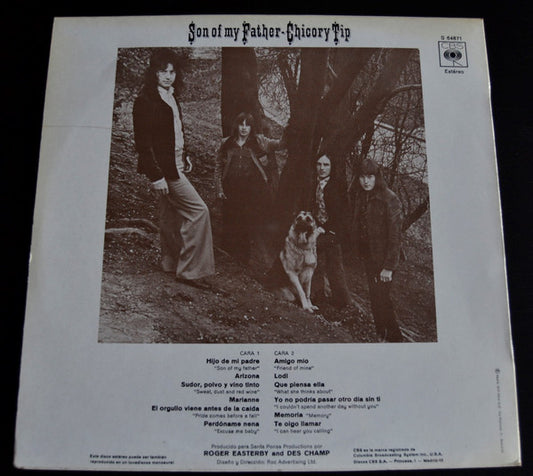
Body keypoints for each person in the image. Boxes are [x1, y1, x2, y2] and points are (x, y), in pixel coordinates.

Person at [132, 48, 215, 286]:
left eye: (172, 71)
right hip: (165, 169)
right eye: (163, 71)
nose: (168, 76)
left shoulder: (172, 97)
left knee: (169, 215)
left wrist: (184, 154)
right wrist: (156, 176)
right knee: (199, 212)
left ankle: (170, 262)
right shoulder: (145, 101)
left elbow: (175, 132)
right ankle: (190, 271)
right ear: (153, 73)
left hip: (176, 162)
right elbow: (143, 144)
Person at [215, 112, 284, 264]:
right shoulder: (227, 143)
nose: (244, 128)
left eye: (248, 125)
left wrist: (289, 129)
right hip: (231, 188)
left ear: (252, 127)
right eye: (241, 124)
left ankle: (243, 257)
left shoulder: (259, 141)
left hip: (250, 190)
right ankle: (228, 254)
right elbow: (218, 166)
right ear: (237, 125)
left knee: (246, 221)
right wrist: (219, 189)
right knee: (230, 219)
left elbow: (279, 144)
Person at [351, 158, 403, 342]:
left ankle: (395, 338)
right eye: (362, 177)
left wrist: (388, 267)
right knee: (375, 298)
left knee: (383, 299)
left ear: (377, 177)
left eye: (370, 177)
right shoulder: (361, 195)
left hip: (385, 260)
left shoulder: (390, 199)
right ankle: (381, 334)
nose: (366, 181)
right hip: (369, 257)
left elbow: (396, 237)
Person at [307, 153, 351, 308]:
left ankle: (343, 302)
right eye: (319, 164)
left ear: (332, 167)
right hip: (320, 226)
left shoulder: (336, 186)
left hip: (334, 230)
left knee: (334, 265)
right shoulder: (315, 182)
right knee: (316, 259)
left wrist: (324, 229)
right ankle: (318, 295)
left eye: (326, 165)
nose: (322, 168)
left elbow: (340, 214)